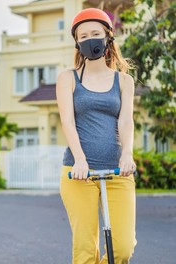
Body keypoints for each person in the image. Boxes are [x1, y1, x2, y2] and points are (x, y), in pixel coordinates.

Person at [56, 8, 137, 264]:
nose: (90, 39)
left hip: (117, 172)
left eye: (95, 33)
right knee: (85, 251)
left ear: (108, 37)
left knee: (122, 249)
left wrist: (127, 154)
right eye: (83, 35)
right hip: (78, 173)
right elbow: (67, 121)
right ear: (77, 42)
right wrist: (80, 160)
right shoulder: (67, 79)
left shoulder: (124, 81)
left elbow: (126, 121)